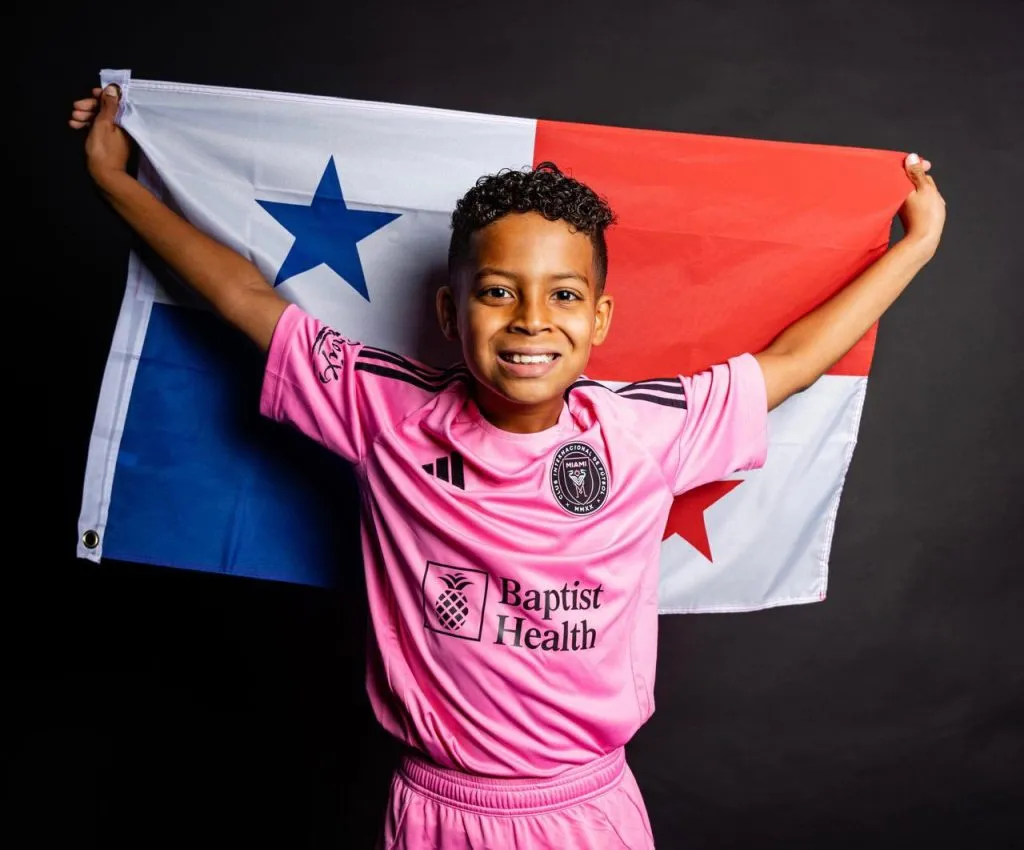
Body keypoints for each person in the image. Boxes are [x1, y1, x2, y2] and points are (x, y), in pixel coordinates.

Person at [70, 83, 946, 849]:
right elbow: (243, 296)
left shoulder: (643, 429)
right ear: (451, 312)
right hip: (435, 805)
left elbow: (792, 361)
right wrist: (115, 178)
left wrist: (913, 248)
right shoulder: (386, 410)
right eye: (499, 292)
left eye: (564, 295)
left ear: (600, 320)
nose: (532, 320)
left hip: (587, 806)